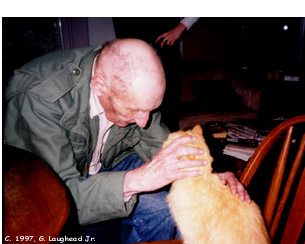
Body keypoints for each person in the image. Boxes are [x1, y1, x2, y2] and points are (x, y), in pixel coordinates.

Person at [5, 38, 250, 244]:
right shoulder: (38, 99)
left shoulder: (132, 91)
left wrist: (207, 176)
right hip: (49, 191)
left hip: (104, 163)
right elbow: (58, 197)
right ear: (99, 85)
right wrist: (142, 178)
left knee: (166, 212)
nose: (144, 122)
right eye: (134, 111)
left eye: (150, 110)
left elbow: (160, 143)